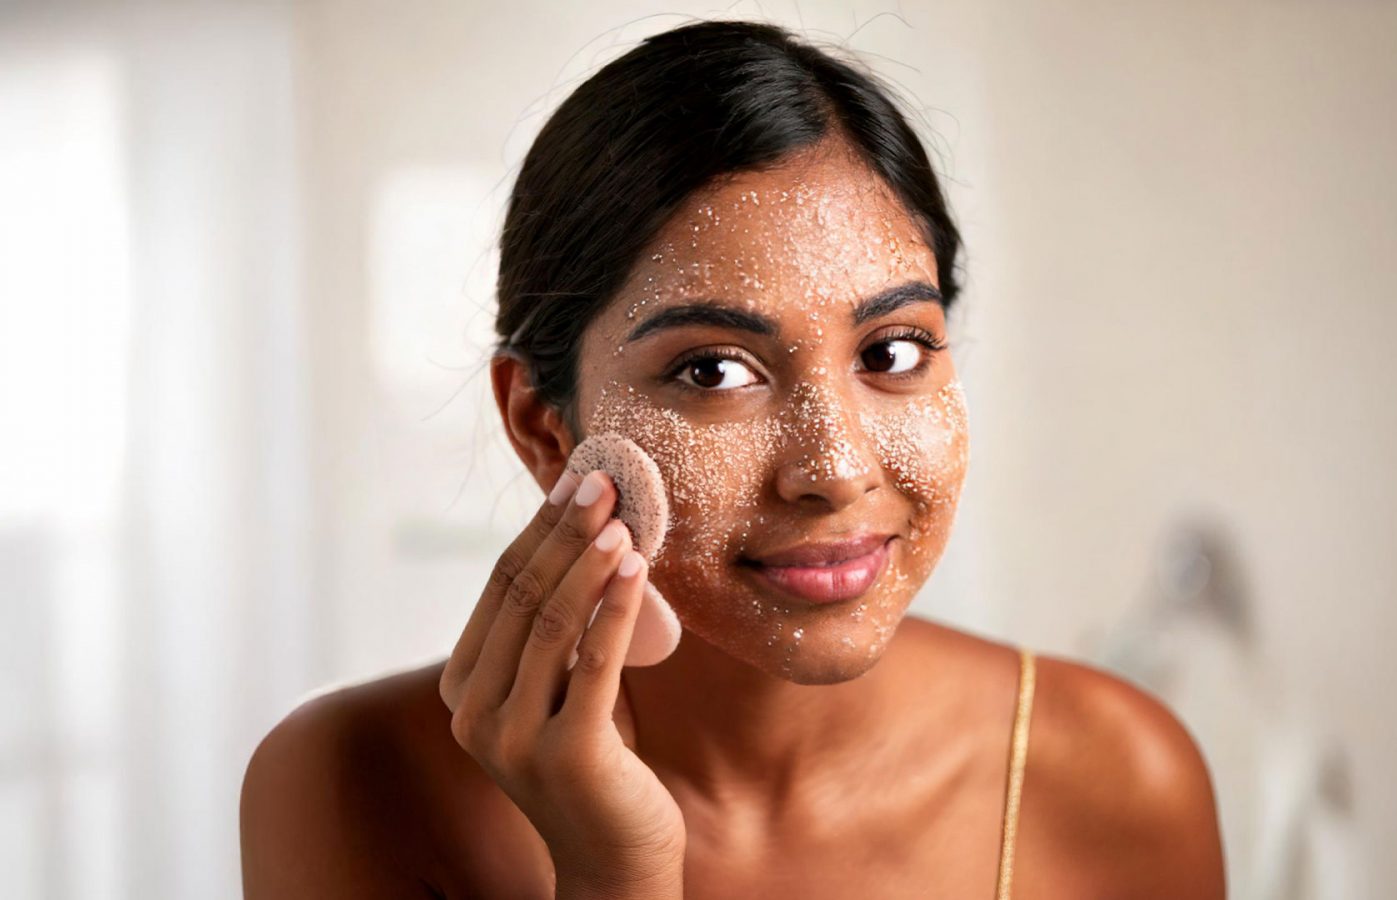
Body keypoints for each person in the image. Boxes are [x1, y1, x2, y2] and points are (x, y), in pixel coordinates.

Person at [239, 19, 1224, 899]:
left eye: (891, 352)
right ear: (545, 426)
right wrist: (613, 877)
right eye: (714, 370)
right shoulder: (355, 786)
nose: (833, 470)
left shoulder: (1114, 776)